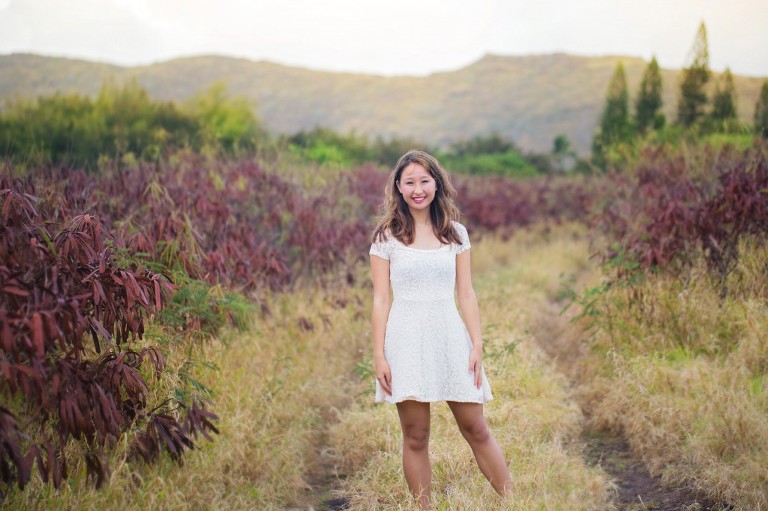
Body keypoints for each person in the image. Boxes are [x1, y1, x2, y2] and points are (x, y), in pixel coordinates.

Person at [369, 150, 512, 508]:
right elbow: (381, 300)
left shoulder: (455, 233)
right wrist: (379, 355)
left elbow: (466, 292)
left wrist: (476, 344)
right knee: (416, 436)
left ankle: (517, 501)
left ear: (436, 183)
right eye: (409, 182)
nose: (418, 189)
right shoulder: (387, 236)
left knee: (476, 428)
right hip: (405, 341)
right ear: (398, 188)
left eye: (424, 181)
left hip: (449, 337)